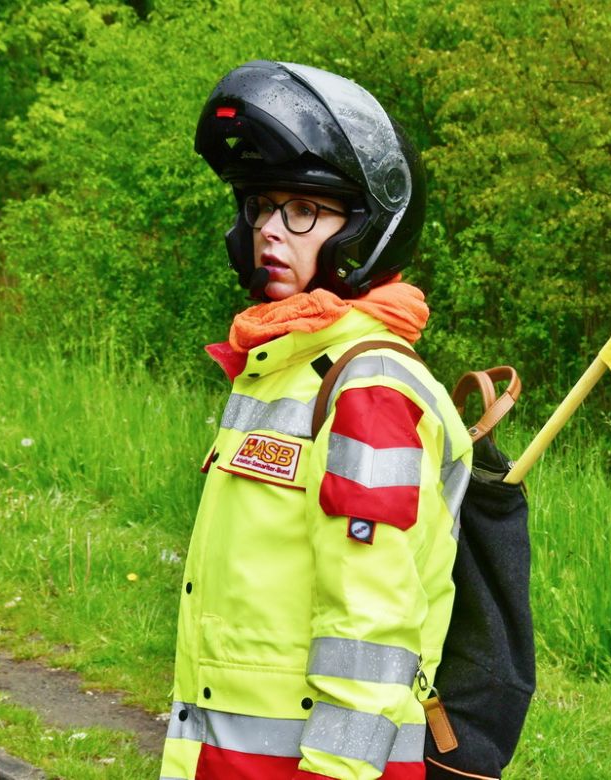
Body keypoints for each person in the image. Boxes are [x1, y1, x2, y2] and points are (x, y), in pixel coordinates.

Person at [160, 61, 473, 780]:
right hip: (227, 757)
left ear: (363, 229)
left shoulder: (365, 387)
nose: (272, 230)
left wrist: (337, 770)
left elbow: (371, 624)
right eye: (262, 205)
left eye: (303, 210)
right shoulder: (280, 367)